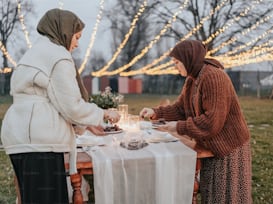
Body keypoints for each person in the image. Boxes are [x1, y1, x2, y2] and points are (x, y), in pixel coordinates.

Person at [0, 8, 120, 204]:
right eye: (77, 36)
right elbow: (70, 105)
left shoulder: (35, 52)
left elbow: (54, 100)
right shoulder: (58, 56)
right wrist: (103, 114)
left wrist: (85, 125)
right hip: (39, 143)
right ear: (64, 30)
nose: (77, 43)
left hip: (20, 136)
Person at [140, 40, 252, 204]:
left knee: (227, 197)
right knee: (212, 194)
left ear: (188, 58)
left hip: (228, 147)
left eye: (177, 62)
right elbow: (181, 109)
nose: (175, 66)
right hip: (212, 145)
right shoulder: (193, 79)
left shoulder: (213, 77)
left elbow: (211, 122)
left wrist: (177, 127)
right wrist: (155, 112)